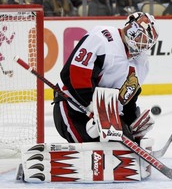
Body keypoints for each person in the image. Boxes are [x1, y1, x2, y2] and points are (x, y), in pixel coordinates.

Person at [53, 12, 159, 144]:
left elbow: (127, 100)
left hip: (106, 118)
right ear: (132, 31)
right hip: (72, 107)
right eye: (142, 40)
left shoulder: (141, 64)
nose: (143, 47)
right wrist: (92, 105)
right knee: (90, 144)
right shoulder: (102, 37)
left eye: (147, 44)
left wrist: (132, 123)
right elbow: (73, 74)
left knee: (122, 145)